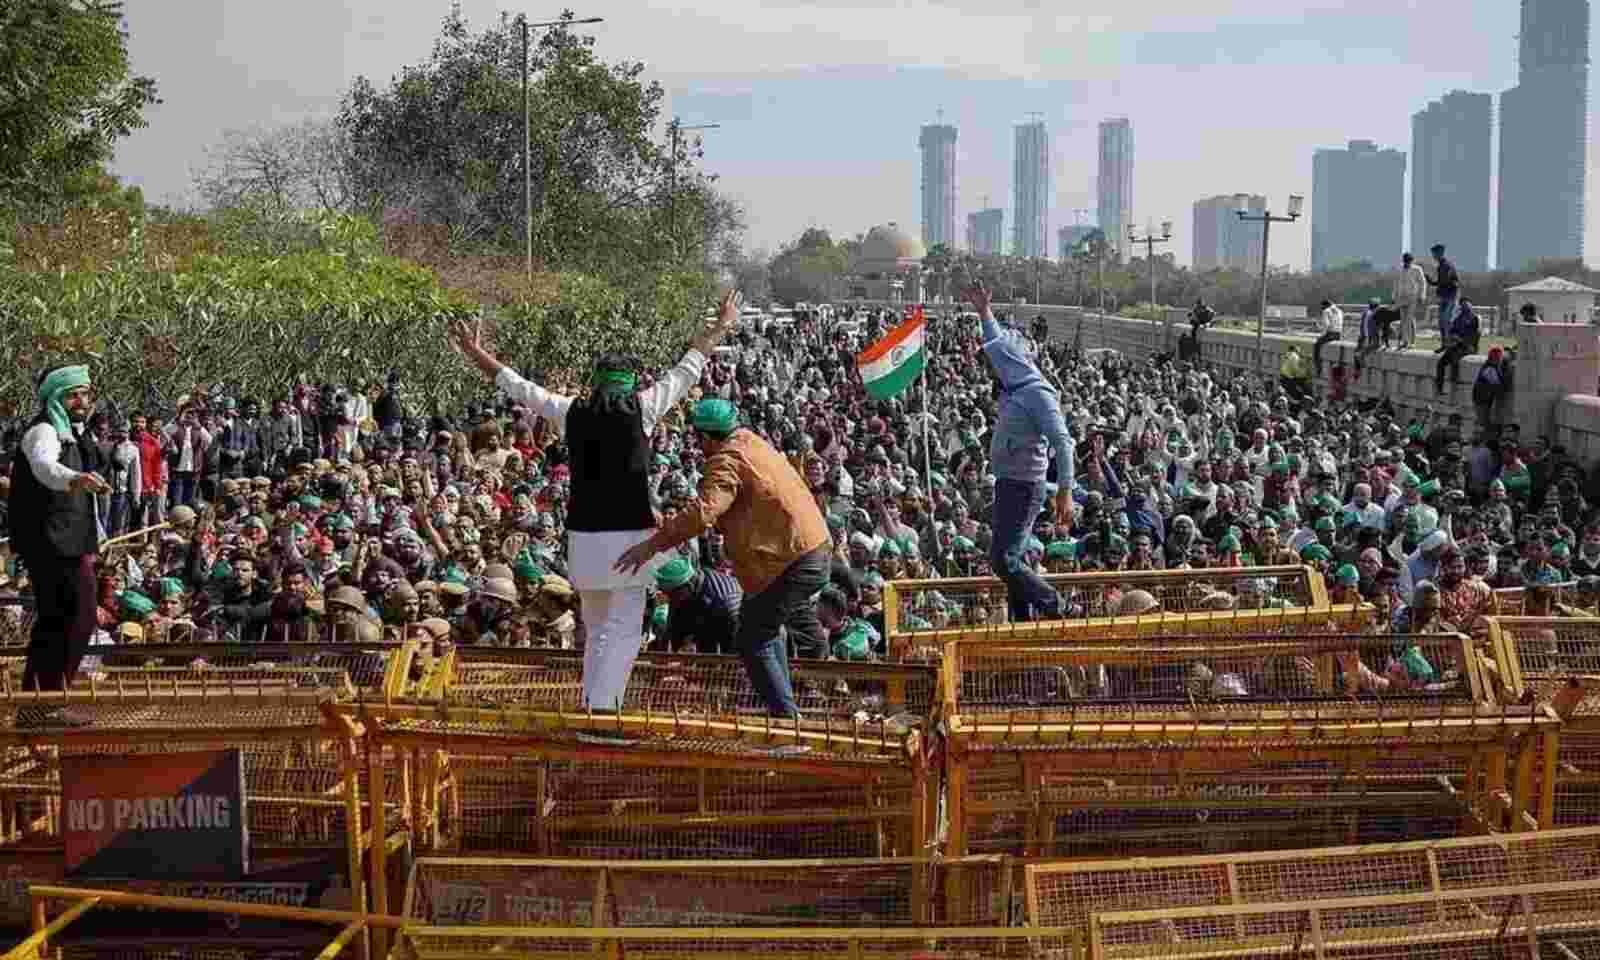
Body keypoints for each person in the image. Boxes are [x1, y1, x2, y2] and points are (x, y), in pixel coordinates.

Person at [450, 294, 737, 710]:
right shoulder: (643, 407)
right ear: (631, 382)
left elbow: (519, 387)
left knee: (598, 630)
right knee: (621, 632)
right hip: (630, 543)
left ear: (597, 380)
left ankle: (592, 704)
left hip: (583, 544)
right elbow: (687, 370)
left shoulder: (572, 411)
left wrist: (477, 353)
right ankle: (603, 712)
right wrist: (718, 329)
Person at [616, 398, 830, 718]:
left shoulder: (726, 458)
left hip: (792, 560)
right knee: (763, 629)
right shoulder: (753, 442)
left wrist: (652, 546)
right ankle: (783, 709)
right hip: (805, 552)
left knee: (751, 638)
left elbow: (704, 512)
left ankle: (787, 718)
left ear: (705, 438)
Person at [962, 280, 1073, 622]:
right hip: (1008, 482)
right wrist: (984, 311)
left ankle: (1052, 602)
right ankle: (1021, 618)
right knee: (1009, 557)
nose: (991, 368)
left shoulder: (1038, 394)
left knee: (1003, 560)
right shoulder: (1014, 386)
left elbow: (1063, 442)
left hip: (1026, 486)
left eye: (997, 364)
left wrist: (1065, 492)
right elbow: (997, 343)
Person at [7, 364, 111, 702]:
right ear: (55, 396)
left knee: (57, 622)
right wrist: (75, 479)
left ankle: (39, 703)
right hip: (51, 540)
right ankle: (48, 701)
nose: (82, 400)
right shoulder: (44, 431)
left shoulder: (72, 432)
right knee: (76, 620)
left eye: (85, 393)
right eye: (73, 394)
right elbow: (44, 467)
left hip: (67, 539)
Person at [652, 554, 741, 654]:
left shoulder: (727, 603)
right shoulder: (683, 593)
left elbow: (733, 654)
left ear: (688, 586)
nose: (668, 599)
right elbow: (674, 631)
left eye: (670, 594)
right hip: (708, 618)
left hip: (736, 629)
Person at [1435, 298, 1481, 395]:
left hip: (1469, 346)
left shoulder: (1475, 318)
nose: (1465, 306)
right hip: (1457, 345)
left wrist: (1462, 341)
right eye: (1463, 304)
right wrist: (1453, 338)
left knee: (1455, 359)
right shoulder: (1458, 318)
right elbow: (1452, 331)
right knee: (1441, 362)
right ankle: (1439, 388)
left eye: (1466, 304)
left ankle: (1454, 385)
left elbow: (1476, 335)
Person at [1393, 253, 1427, 349]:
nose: (1407, 263)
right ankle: (1405, 341)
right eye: (1406, 261)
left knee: (1409, 318)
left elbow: (1423, 283)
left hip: (1412, 296)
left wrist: (1422, 296)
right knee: (1403, 319)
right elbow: (1396, 283)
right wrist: (1394, 297)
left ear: (1412, 261)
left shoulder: (1417, 269)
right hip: (1401, 297)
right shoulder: (1400, 270)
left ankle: (1411, 341)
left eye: (1409, 261)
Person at [1426, 243, 1459, 343]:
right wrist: (1430, 281)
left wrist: (1433, 282)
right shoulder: (1441, 266)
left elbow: (1446, 280)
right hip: (1443, 296)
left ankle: (1449, 343)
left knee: (1447, 320)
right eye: (1433, 254)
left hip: (1450, 296)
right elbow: (1441, 282)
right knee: (1441, 322)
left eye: (1434, 254)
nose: (1433, 256)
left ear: (1440, 253)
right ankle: (1444, 343)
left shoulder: (1447, 265)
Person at [1472, 346, 1507, 433]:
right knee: (1483, 422)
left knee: (1484, 421)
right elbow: (1497, 384)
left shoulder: (1490, 366)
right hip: (1482, 400)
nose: (1500, 359)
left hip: (1483, 398)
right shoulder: (1489, 369)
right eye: (1500, 357)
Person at [1312, 300, 1343, 378]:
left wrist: (1321, 333)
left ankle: (1318, 368)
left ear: (1324, 305)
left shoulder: (1326, 311)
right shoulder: (1339, 310)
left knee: (1316, 346)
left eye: (1322, 307)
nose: (1321, 308)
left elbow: (1327, 325)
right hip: (1338, 334)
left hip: (1330, 334)